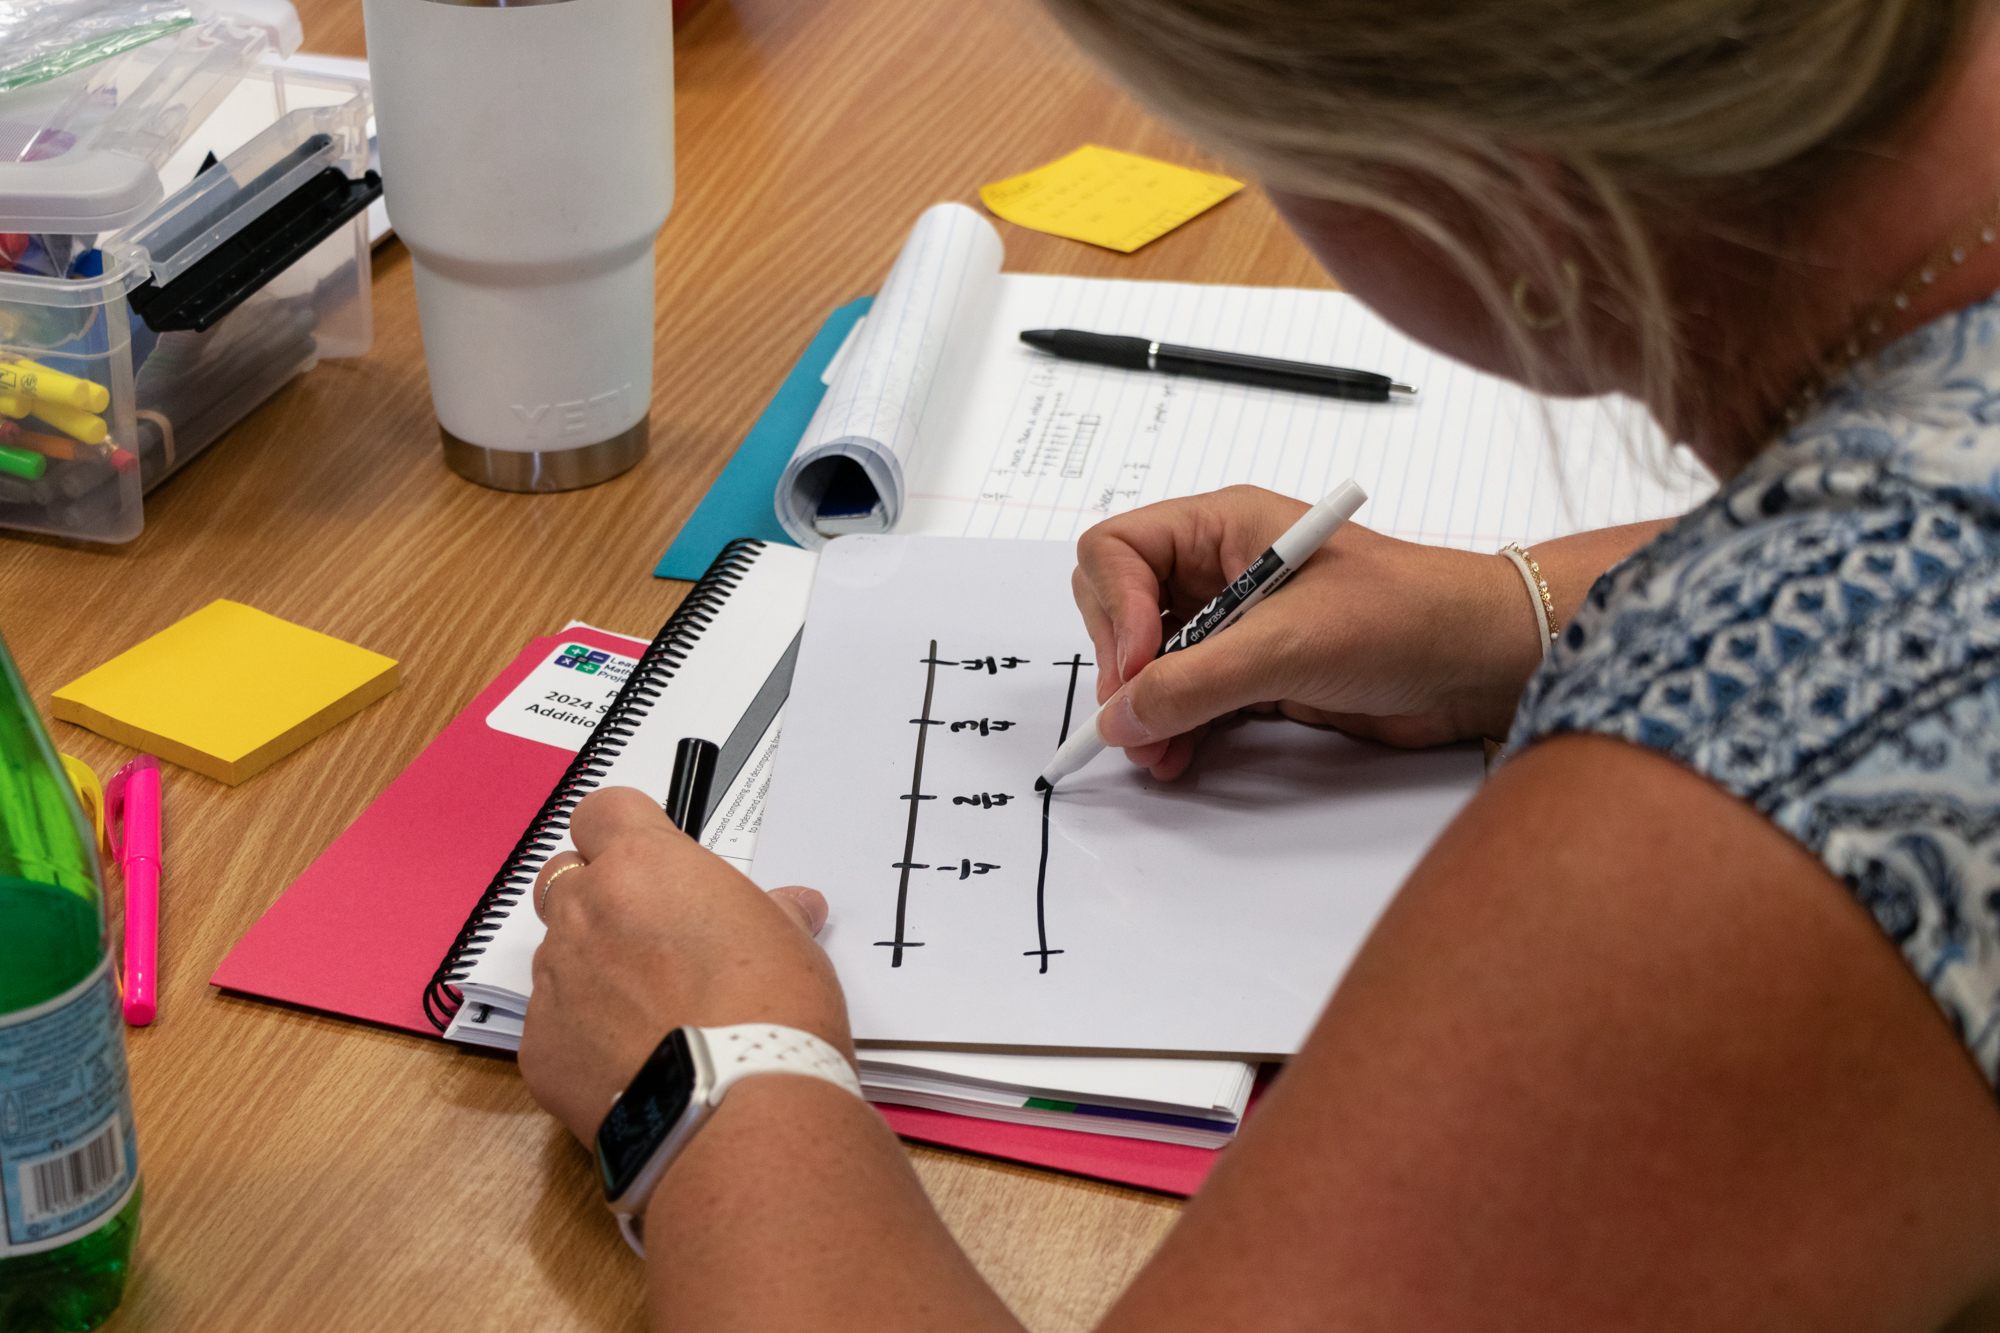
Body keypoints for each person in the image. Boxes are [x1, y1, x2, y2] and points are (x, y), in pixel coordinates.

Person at [519, 1, 2000, 1326]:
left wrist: (716, 1087)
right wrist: (1522, 612)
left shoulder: (1768, 766)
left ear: (1465, 172)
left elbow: (1868, 658)